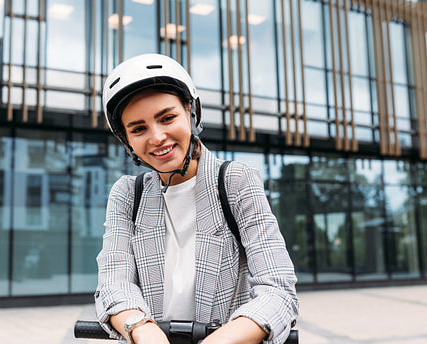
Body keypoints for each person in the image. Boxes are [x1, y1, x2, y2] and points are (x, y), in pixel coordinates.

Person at [95, 53, 299, 344]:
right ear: (127, 140)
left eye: (167, 118)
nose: (157, 137)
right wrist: (141, 328)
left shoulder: (235, 181)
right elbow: (114, 283)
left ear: (190, 112)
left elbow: (278, 289)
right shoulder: (128, 194)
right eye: (138, 129)